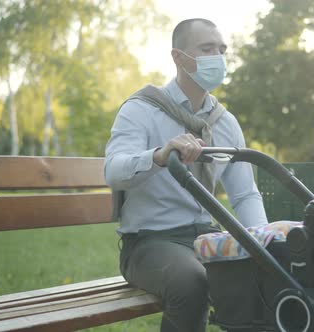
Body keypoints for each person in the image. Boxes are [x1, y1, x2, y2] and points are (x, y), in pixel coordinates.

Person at [104, 18, 268, 332]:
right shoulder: (141, 109)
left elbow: (245, 194)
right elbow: (113, 171)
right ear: (178, 57)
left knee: (263, 276)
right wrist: (159, 156)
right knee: (192, 281)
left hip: (206, 237)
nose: (218, 57)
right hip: (150, 244)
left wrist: (263, 245)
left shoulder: (225, 122)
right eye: (207, 48)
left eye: (222, 50)